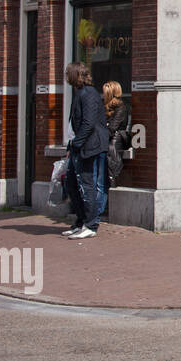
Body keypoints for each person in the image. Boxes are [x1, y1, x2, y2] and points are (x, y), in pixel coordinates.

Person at [63, 63, 110, 239]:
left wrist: (77, 144)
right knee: (72, 184)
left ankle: (90, 224)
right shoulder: (79, 93)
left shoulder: (88, 94)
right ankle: (81, 221)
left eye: (68, 73)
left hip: (89, 147)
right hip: (79, 146)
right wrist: (71, 145)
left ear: (75, 75)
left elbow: (89, 123)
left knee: (86, 185)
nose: (66, 76)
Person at [102, 81, 132, 220]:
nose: (103, 95)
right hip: (105, 141)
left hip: (113, 143)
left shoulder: (121, 107)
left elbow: (111, 128)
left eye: (105, 92)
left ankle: (107, 205)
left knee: (110, 170)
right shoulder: (105, 107)